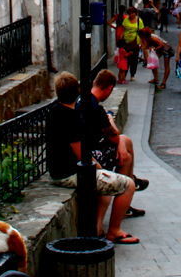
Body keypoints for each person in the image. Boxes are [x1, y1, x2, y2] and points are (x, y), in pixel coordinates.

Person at [46, 71, 140, 244]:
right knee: (128, 185)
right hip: (69, 173)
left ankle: (101, 225)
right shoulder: (71, 118)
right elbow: (82, 155)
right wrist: (101, 170)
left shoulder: (54, 110)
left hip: (58, 170)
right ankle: (114, 230)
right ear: (78, 91)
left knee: (109, 178)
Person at [111, 6, 145, 83]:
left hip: (135, 42)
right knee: (126, 60)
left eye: (132, 13)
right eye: (129, 13)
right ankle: (124, 75)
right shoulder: (126, 20)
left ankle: (132, 75)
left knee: (134, 60)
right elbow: (123, 29)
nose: (131, 15)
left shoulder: (139, 21)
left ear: (135, 13)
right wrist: (121, 37)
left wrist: (142, 43)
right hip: (126, 42)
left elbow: (142, 32)